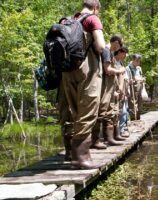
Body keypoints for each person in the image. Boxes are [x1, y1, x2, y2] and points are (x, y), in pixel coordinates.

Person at [59, 0, 105, 169]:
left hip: (67, 72)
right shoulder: (92, 19)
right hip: (87, 70)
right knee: (88, 111)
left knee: (73, 111)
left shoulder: (67, 21)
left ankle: (70, 154)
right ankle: (81, 157)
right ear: (95, 7)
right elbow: (100, 46)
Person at [91, 34, 126, 147]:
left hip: (109, 87)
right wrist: (120, 70)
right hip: (104, 87)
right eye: (120, 44)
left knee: (109, 112)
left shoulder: (109, 52)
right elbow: (107, 69)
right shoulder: (106, 50)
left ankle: (109, 138)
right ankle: (95, 140)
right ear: (115, 42)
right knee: (101, 112)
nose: (120, 47)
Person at [113, 46, 130, 137]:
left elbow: (124, 77)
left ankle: (121, 129)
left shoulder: (121, 62)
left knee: (123, 111)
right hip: (116, 90)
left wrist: (125, 91)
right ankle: (115, 132)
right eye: (124, 54)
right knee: (117, 111)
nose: (125, 56)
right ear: (119, 52)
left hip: (123, 90)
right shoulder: (113, 61)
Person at [127, 54, 144, 120]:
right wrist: (133, 80)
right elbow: (127, 80)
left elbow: (141, 76)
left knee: (140, 102)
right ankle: (133, 118)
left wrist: (142, 79)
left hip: (140, 87)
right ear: (133, 60)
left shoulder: (139, 68)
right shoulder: (128, 68)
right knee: (133, 102)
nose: (138, 62)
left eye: (139, 61)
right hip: (132, 87)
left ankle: (138, 117)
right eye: (137, 61)